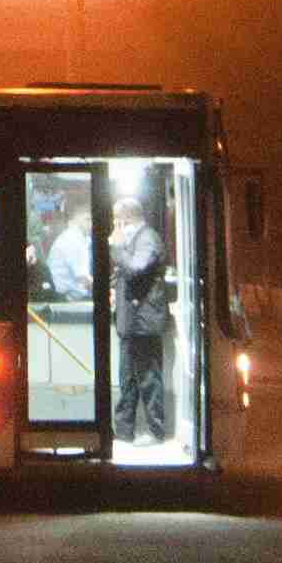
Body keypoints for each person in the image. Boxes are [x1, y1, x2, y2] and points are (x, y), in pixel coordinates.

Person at [111, 183, 174, 442]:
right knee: (128, 379)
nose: (115, 227)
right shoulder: (137, 239)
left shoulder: (147, 238)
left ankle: (156, 431)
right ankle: (124, 431)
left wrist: (116, 248)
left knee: (147, 378)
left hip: (143, 322)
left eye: (117, 221)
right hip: (133, 322)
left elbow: (137, 268)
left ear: (126, 220)